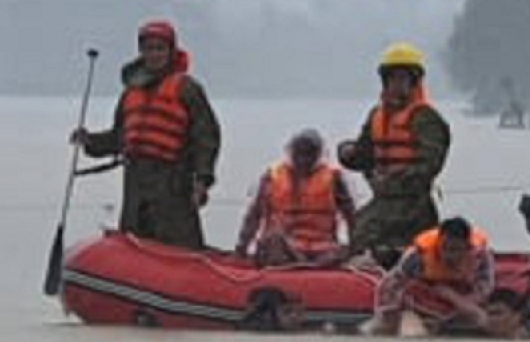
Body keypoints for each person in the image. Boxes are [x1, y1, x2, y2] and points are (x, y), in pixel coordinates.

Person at [72, 19, 221, 249]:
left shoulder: (187, 89)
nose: (154, 55)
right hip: (136, 184)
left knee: (178, 245)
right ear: (141, 52)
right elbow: (119, 138)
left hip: (173, 183)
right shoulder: (131, 93)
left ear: (171, 52)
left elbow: (206, 137)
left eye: (160, 49)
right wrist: (89, 141)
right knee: (135, 244)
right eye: (149, 49)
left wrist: (202, 180)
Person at [337, 42, 452, 263]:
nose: (396, 86)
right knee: (360, 231)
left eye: (402, 79)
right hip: (383, 199)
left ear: (414, 81)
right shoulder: (376, 116)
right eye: (392, 79)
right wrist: (348, 154)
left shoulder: (425, 118)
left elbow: (431, 164)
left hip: (414, 203)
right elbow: (365, 155)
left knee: (381, 238)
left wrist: (398, 177)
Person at [235, 129, 358, 266]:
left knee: (339, 252)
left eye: (309, 154)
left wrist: (356, 247)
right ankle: (298, 266)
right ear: (291, 152)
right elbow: (254, 214)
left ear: (318, 154)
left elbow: (351, 217)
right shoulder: (273, 176)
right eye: (299, 154)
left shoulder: (334, 178)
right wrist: (242, 247)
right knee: (273, 240)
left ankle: (310, 267)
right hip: (283, 248)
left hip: (323, 249)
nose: (303, 160)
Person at [370, 217, 503, 337]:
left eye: (456, 250)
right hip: (420, 298)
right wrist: (387, 314)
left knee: (482, 318)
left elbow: (485, 288)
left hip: (459, 300)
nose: (450, 256)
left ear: (467, 247)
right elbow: (392, 284)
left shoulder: (480, 257)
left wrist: (456, 300)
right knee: (408, 331)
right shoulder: (418, 256)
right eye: (445, 248)